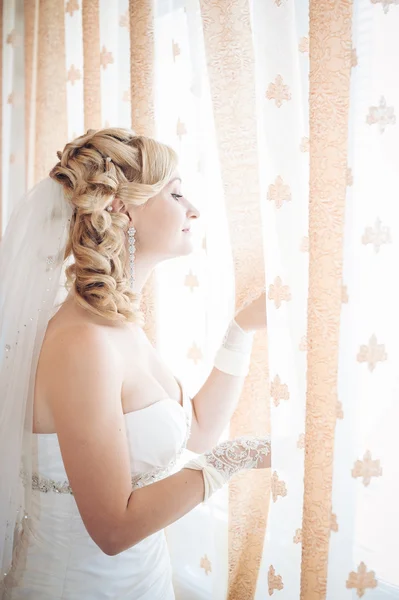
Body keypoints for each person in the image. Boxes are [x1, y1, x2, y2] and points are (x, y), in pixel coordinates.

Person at [0, 128, 270, 599]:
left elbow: (198, 431)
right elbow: (113, 529)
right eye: (177, 193)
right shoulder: (82, 341)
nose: (194, 209)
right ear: (122, 208)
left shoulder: (119, 325)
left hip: (144, 581)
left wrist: (239, 330)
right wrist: (238, 457)